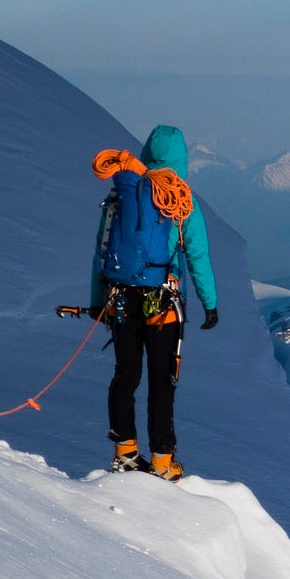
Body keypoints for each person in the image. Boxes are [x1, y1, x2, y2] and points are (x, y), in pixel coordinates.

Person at [89, 124, 218, 480]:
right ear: (182, 160)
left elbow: (101, 251)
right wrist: (210, 304)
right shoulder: (178, 198)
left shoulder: (123, 194)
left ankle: (126, 454)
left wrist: (99, 301)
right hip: (164, 304)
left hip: (121, 301)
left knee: (125, 376)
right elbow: (198, 255)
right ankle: (162, 461)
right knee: (162, 382)